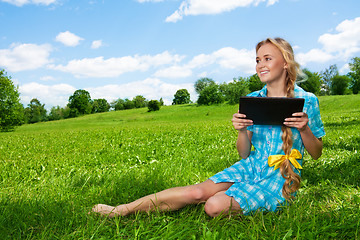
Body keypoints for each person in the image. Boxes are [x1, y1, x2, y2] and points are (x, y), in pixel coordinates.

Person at [91, 37, 325, 217]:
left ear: (285, 63)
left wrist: (304, 129)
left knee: (213, 206)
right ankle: (122, 210)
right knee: (197, 193)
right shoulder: (253, 99)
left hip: (280, 177)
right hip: (251, 166)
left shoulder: (308, 100)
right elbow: (243, 153)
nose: (260, 65)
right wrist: (241, 130)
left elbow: (316, 153)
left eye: (267, 58)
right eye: (257, 60)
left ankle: (242, 198)